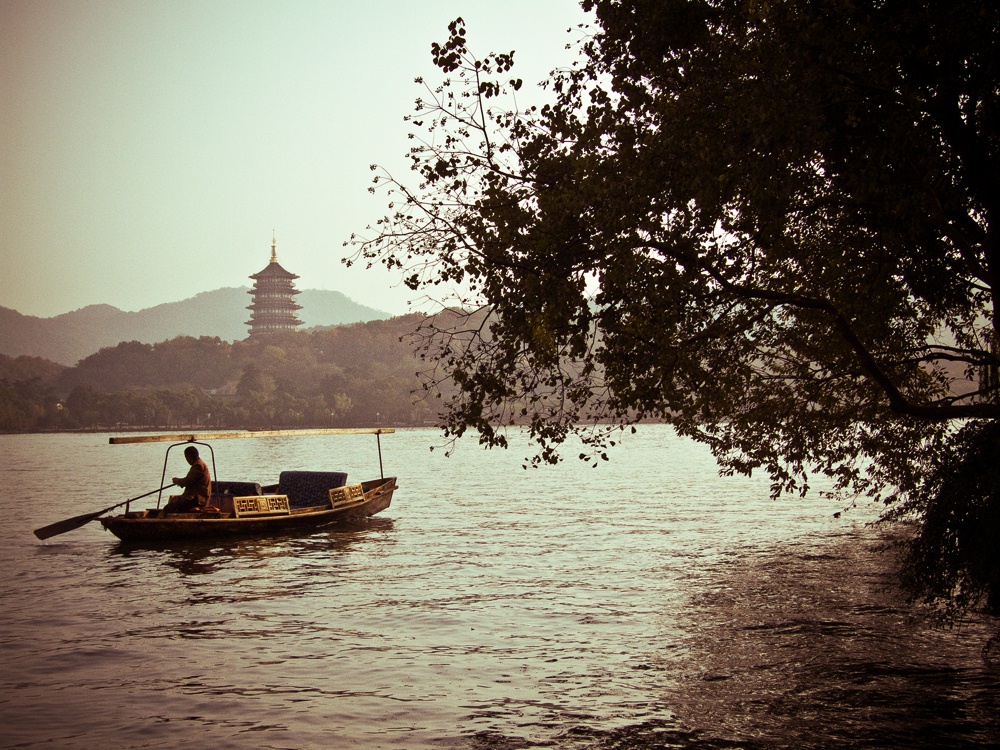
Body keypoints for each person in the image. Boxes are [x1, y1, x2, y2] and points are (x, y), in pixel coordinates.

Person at [161, 446, 212, 514]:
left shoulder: (198, 466)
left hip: (198, 500)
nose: (187, 460)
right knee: (174, 501)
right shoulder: (199, 464)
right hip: (197, 498)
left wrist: (177, 481)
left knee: (169, 508)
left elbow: (187, 482)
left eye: (186, 457)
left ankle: (171, 523)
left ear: (189, 456)